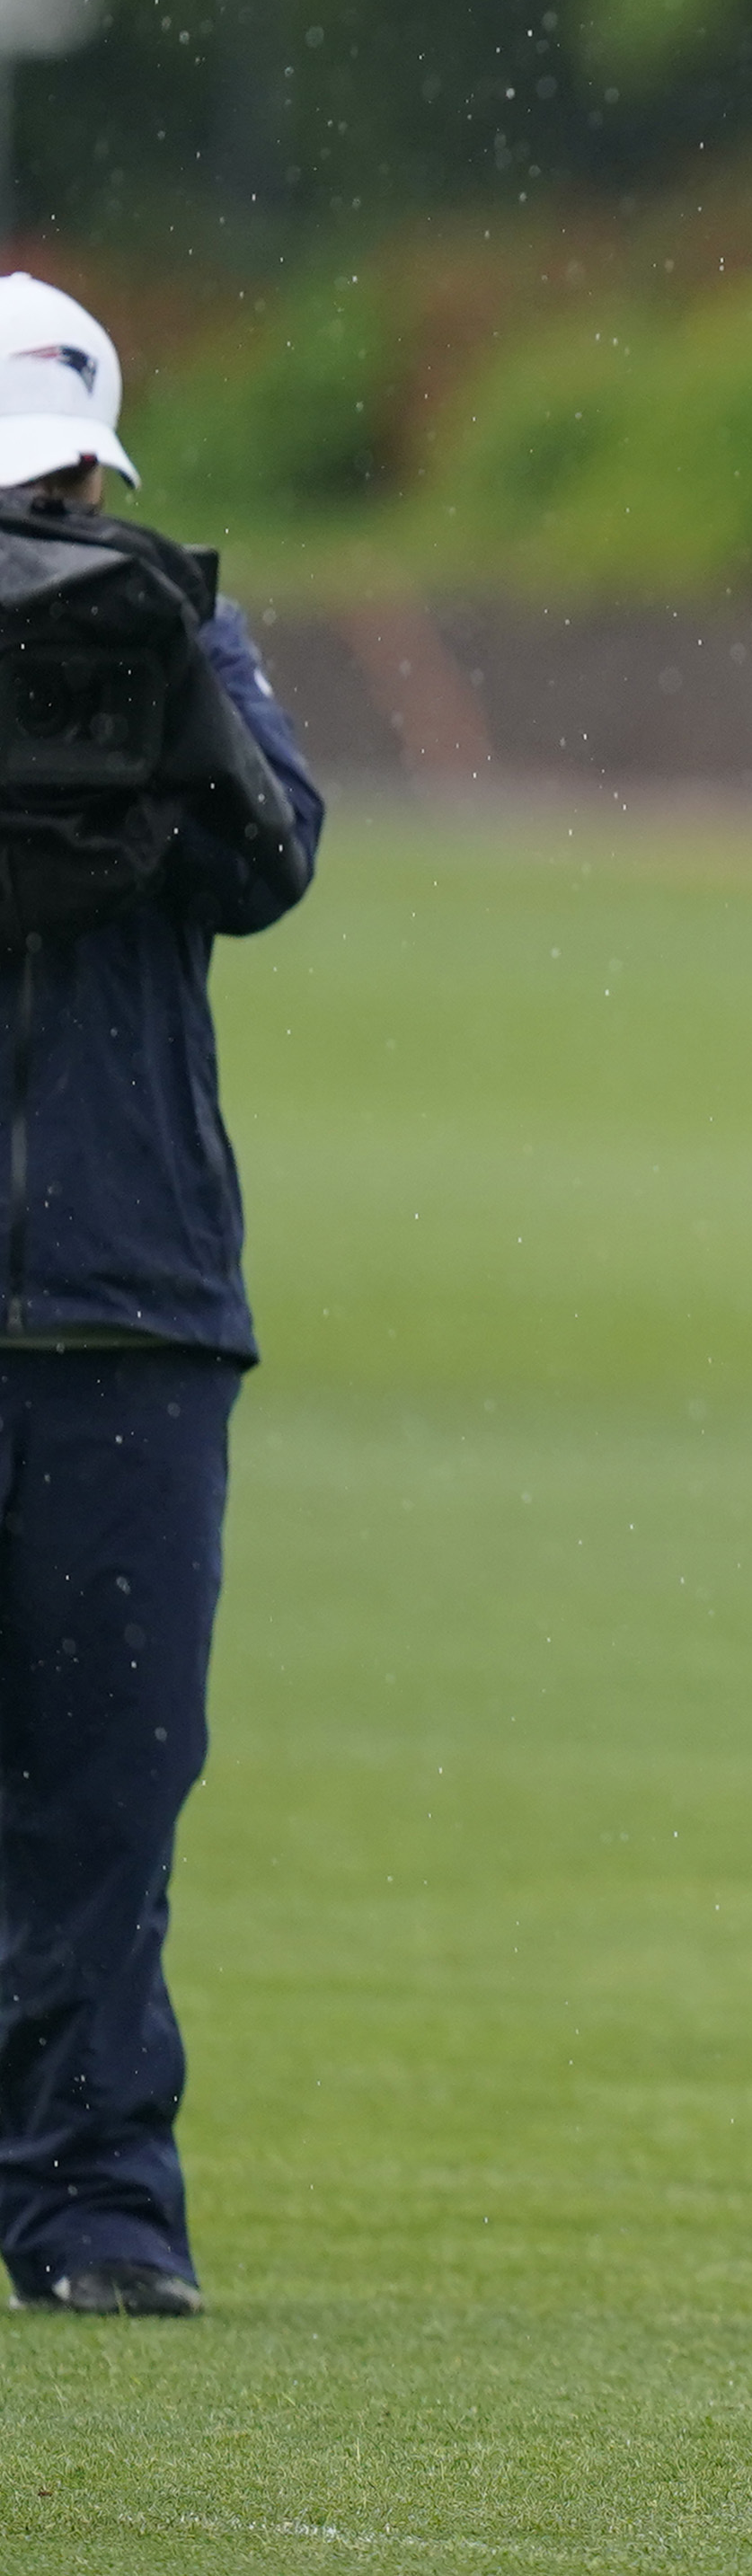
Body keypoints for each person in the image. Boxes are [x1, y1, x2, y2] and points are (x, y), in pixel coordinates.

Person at [0, 272, 323, 2318]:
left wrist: (149, 681)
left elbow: (275, 858)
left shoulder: (170, 627)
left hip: (128, 1298)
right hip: (127, 1293)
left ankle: (97, 2205)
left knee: (112, 1794)